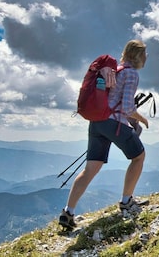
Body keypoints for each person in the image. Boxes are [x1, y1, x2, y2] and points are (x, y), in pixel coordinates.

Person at [59, 39, 150, 229]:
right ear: (139, 55)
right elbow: (126, 107)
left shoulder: (113, 70)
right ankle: (126, 202)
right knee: (139, 157)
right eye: (145, 54)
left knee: (90, 168)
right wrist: (141, 119)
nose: (146, 57)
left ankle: (68, 212)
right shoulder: (131, 74)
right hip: (113, 123)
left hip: (97, 123)